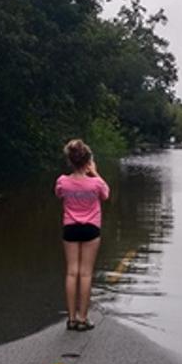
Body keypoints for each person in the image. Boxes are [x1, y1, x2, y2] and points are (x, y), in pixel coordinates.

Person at [55, 139, 110, 331]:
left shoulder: (63, 181)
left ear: (70, 160)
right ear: (88, 161)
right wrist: (94, 172)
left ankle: (70, 318)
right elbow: (106, 195)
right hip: (91, 229)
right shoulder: (96, 184)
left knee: (72, 272)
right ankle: (82, 318)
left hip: (70, 227)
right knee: (86, 273)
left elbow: (59, 194)